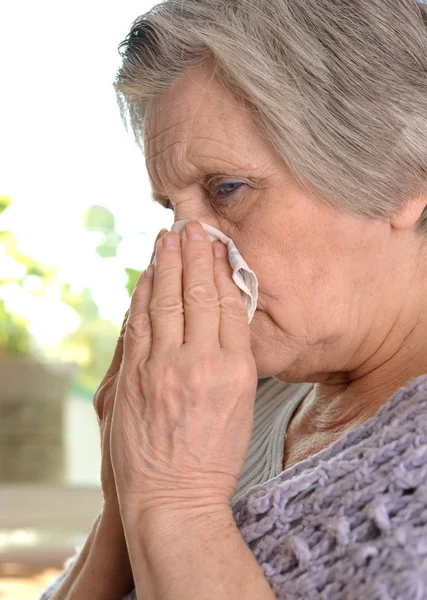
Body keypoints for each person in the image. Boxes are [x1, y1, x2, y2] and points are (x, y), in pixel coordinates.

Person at [41, 0, 427, 598]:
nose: (185, 248)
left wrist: (176, 501)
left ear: (402, 177)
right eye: (172, 210)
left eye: (227, 189)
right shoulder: (218, 403)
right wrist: (126, 499)